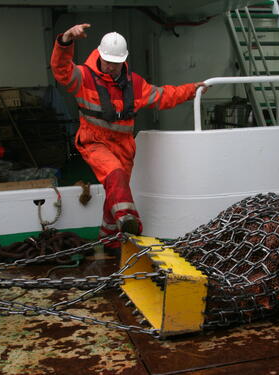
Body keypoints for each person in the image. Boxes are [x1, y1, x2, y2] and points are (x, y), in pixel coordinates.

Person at [51, 24, 207, 252]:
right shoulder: (83, 77)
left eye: (116, 63)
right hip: (94, 141)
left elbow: (164, 96)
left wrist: (193, 89)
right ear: (99, 56)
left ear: (123, 60)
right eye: (108, 62)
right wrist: (65, 41)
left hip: (124, 146)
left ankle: (109, 240)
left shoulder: (135, 84)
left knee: (114, 192)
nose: (112, 67)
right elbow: (62, 70)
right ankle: (129, 220)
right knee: (115, 176)